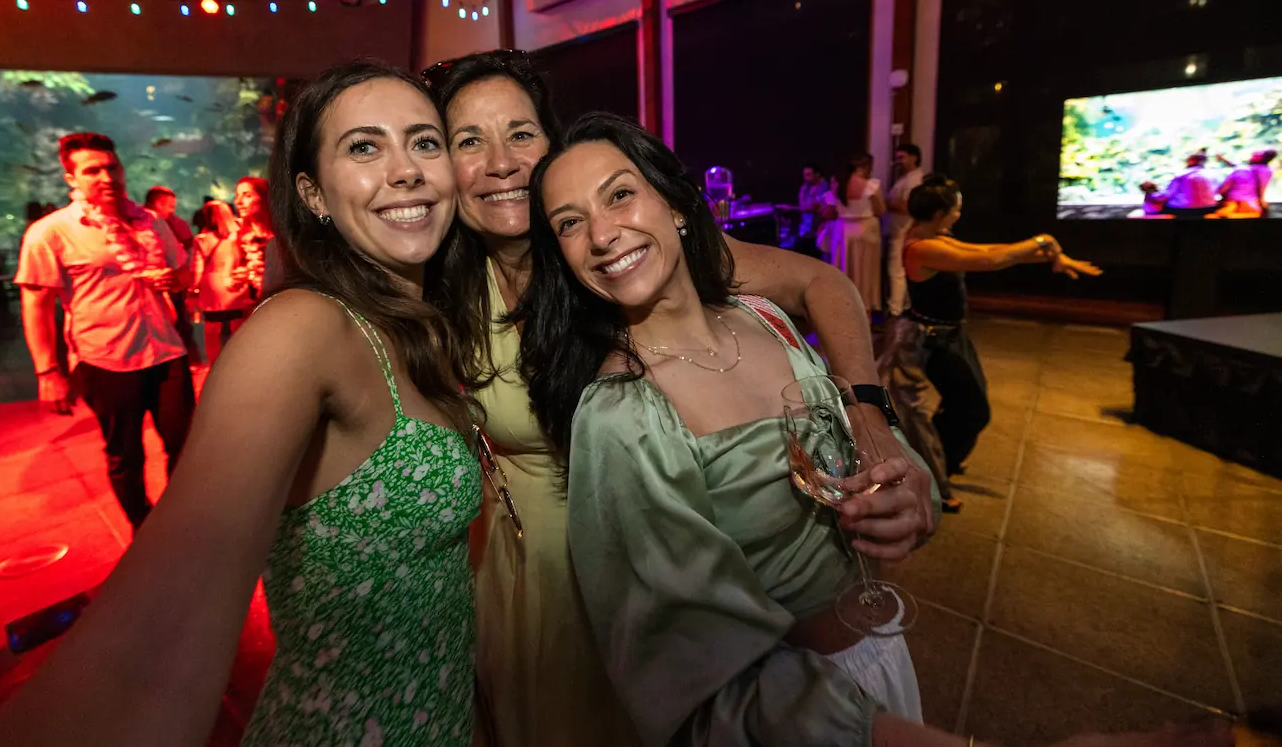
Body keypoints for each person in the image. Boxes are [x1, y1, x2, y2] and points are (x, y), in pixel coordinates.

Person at [518, 115, 1216, 747]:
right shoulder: (621, 414)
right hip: (805, 714)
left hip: (882, 654)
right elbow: (705, 685)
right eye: (569, 223)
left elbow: (850, 440)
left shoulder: (762, 317)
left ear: (674, 202)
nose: (603, 233)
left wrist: (908, 488)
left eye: (618, 195)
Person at [425, 50, 935, 747]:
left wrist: (870, 420)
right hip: (543, 567)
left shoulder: (644, 251)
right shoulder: (443, 290)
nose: (501, 161)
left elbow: (822, 284)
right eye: (467, 141)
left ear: (552, 140)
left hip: (687, 567)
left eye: (520, 132)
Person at [0, 61, 482, 747]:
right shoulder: (301, 330)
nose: (406, 170)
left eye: (425, 142)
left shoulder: (419, 320)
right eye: (364, 146)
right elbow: (154, 642)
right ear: (313, 194)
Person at [879, 175, 1101, 511]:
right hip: (931, 344)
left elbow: (990, 251)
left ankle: (945, 458)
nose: (959, 214)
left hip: (952, 337)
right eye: (956, 209)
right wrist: (1044, 240)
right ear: (941, 212)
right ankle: (936, 474)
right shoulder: (923, 248)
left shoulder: (937, 236)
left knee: (969, 405)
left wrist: (1050, 255)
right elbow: (991, 261)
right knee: (972, 410)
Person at [15, 133, 194, 530]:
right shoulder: (51, 232)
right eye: (92, 170)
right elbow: (36, 304)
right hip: (107, 358)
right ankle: (143, 529)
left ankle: (180, 523)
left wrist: (176, 278)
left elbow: (183, 272)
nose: (106, 176)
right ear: (71, 179)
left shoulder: (151, 222)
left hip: (166, 351)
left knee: (186, 444)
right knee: (125, 454)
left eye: (111, 167)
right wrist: (48, 373)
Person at [820, 153, 885, 316]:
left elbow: (828, 213)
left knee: (844, 268)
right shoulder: (871, 186)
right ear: (862, 167)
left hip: (843, 231)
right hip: (866, 231)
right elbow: (881, 210)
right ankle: (865, 311)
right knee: (866, 271)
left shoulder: (837, 187)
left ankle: (842, 308)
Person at [189, 200, 253, 366]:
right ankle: (243, 364)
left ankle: (215, 368)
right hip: (236, 288)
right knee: (239, 331)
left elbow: (197, 269)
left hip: (212, 292)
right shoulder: (238, 236)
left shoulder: (201, 240)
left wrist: (193, 290)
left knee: (212, 334)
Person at [145, 186, 201, 364]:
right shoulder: (154, 221)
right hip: (162, 290)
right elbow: (183, 256)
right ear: (158, 204)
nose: (172, 211)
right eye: (170, 206)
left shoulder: (175, 223)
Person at [885, 143, 927, 316]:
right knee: (898, 269)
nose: (899, 161)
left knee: (896, 270)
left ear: (914, 157)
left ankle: (895, 309)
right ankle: (903, 304)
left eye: (902, 157)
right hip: (897, 228)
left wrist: (885, 203)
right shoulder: (906, 177)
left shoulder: (915, 179)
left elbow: (908, 206)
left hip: (904, 228)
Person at [234, 176, 275, 300]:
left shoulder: (283, 236)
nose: (238, 202)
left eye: (247, 195)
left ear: (263, 198)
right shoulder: (238, 237)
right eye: (237, 195)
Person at [1212, 149, 1276, 218]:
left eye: (1257, 154)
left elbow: (1262, 188)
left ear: (1263, 157)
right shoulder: (1261, 170)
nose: (1253, 154)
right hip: (1247, 204)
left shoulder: (1262, 171)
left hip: (1237, 204)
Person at [1161, 150, 1219, 218]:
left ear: (1191, 161)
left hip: (1184, 210)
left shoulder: (1182, 174)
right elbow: (1217, 191)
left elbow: (1167, 194)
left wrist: (1152, 195)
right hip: (1209, 208)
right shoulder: (1211, 174)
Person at [144, 186, 196, 254]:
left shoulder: (177, 224)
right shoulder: (173, 224)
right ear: (158, 204)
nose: (172, 211)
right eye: (171, 207)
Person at [793, 163, 827, 257]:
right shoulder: (805, 187)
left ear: (817, 174)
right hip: (805, 231)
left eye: (808, 175)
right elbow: (802, 204)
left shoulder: (824, 188)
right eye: (804, 175)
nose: (805, 178)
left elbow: (813, 207)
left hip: (818, 232)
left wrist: (791, 208)